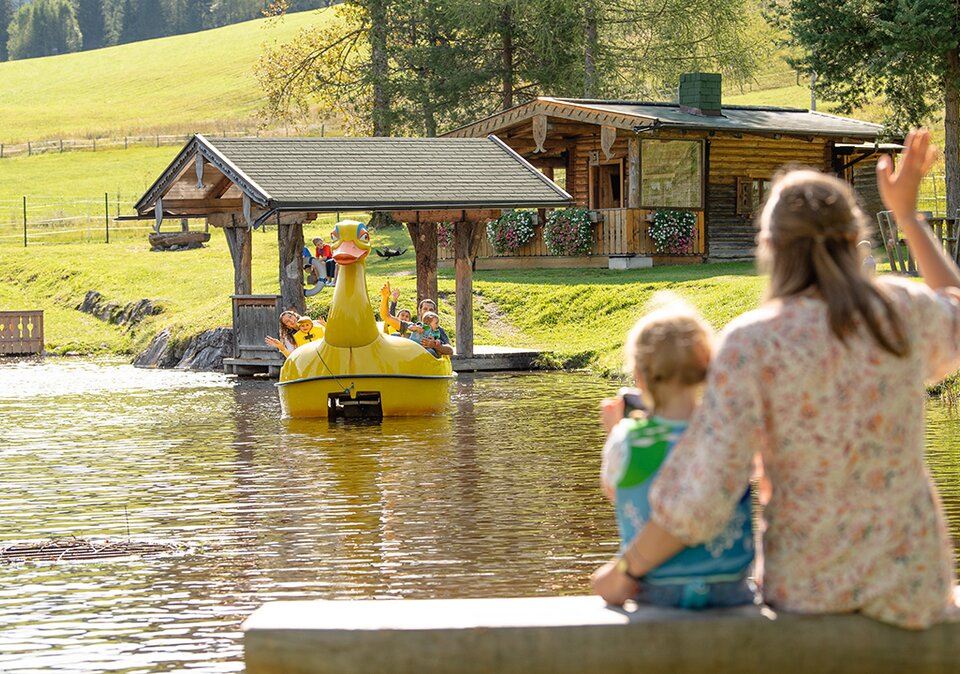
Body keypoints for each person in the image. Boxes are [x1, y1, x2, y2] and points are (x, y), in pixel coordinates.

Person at [592, 128, 960, 629]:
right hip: (914, 582)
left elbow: (705, 492)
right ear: (855, 241)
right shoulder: (901, 311)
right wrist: (908, 216)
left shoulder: (753, 342)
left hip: (810, 586)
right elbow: (955, 309)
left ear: (770, 246)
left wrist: (626, 569)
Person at [599, 298, 754, 609]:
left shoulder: (627, 439)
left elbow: (619, 493)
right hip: (731, 588)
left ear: (640, 378)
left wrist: (614, 434)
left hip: (657, 588)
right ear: (705, 370)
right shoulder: (727, 435)